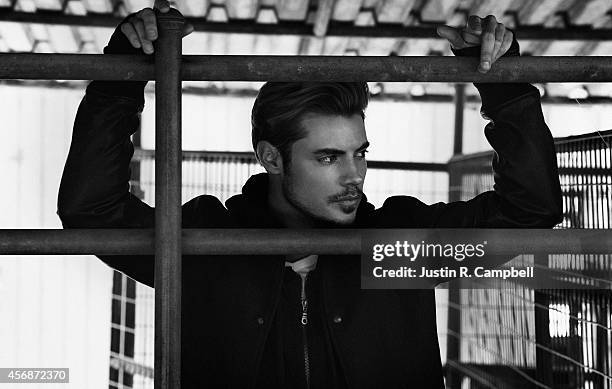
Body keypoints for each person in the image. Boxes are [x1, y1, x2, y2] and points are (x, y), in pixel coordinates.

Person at [58, 1, 562, 387]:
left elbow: (529, 211)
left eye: (359, 153)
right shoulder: (208, 244)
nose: (355, 175)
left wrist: (505, 85)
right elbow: (92, 212)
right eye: (328, 158)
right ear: (271, 157)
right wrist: (119, 79)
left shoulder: (395, 244)